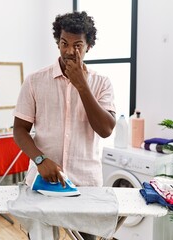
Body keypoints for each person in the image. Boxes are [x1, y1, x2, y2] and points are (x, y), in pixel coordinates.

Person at [13, 11, 116, 240]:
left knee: (86, 238)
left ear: (89, 46)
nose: (70, 51)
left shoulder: (101, 83)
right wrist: (39, 160)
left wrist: (82, 85)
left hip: (86, 183)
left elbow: (106, 129)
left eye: (78, 45)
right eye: (64, 43)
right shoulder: (35, 81)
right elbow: (19, 129)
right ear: (57, 42)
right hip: (42, 181)